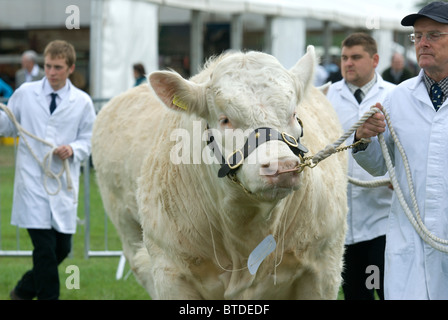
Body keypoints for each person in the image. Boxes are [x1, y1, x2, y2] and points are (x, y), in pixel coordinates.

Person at [353, 1, 448, 299]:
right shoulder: (397, 99)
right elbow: (379, 166)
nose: (422, 43)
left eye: (433, 34)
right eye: (417, 36)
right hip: (411, 242)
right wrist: (363, 139)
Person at [3, 40, 96, 300]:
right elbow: (7, 125)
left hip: (61, 184)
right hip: (32, 182)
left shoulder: (83, 102)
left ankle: (22, 291)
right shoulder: (25, 93)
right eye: (47, 66)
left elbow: (89, 140)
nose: (51, 72)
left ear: (70, 68)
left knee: (61, 249)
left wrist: (73, 149)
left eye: (57, 67)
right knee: (44, 250)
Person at [327, 33, 395, 300]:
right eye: (344, 58)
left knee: (388, 289)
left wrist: (394, 176)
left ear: (375, 59)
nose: (348, 63)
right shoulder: (326, 97)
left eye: (356, 57)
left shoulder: (393, 96)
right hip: (339, 223)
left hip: (382, 221)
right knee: (355, 293)